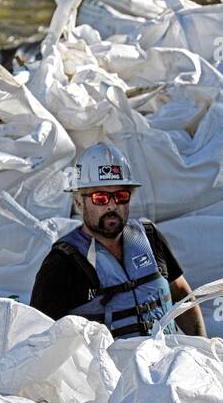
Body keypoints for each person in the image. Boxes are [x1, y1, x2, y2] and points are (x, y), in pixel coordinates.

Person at [30, 142, 206, 339]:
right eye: (100, 197)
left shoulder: (149, 237)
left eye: (121, 196)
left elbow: (181, 293)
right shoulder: (62, 263)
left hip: (165, 363)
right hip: (109, 369)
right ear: (79, 202)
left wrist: (201, 344)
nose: (112, 205)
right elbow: (41, 340)